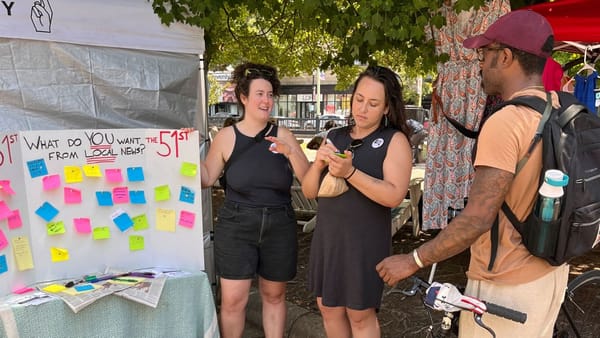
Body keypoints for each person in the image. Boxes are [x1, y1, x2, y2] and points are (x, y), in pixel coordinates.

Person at [376, 10, 569, 338]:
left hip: (506, 288)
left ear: (505, 56)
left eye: (484, 54)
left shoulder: (505, 122)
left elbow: (477, 218)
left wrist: (413, 259)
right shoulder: (559, 108)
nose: (479, 63)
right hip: (549, 276)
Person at [200, 62, 309, 338]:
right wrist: (179, 151)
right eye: (260, 94)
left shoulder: (283, 134)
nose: (266, 100)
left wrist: (290, 152)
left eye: (270, 94)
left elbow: (309, 181)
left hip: (279, 222)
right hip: (236, 223)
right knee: (234, 300)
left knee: (274, 295)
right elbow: (206, 178)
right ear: (244, 98)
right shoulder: (226, 137)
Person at [302, 65, 412, 337]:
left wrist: (350, 172)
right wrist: (317, 166)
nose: (362, 108)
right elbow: (309, 191)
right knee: (328, 308)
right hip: (329, 236)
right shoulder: (335, 136)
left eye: (373, 103)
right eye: (359, 99)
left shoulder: (394, 140)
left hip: (364, 241)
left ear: (387, 108)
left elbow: (394, 195)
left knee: (360, 314)